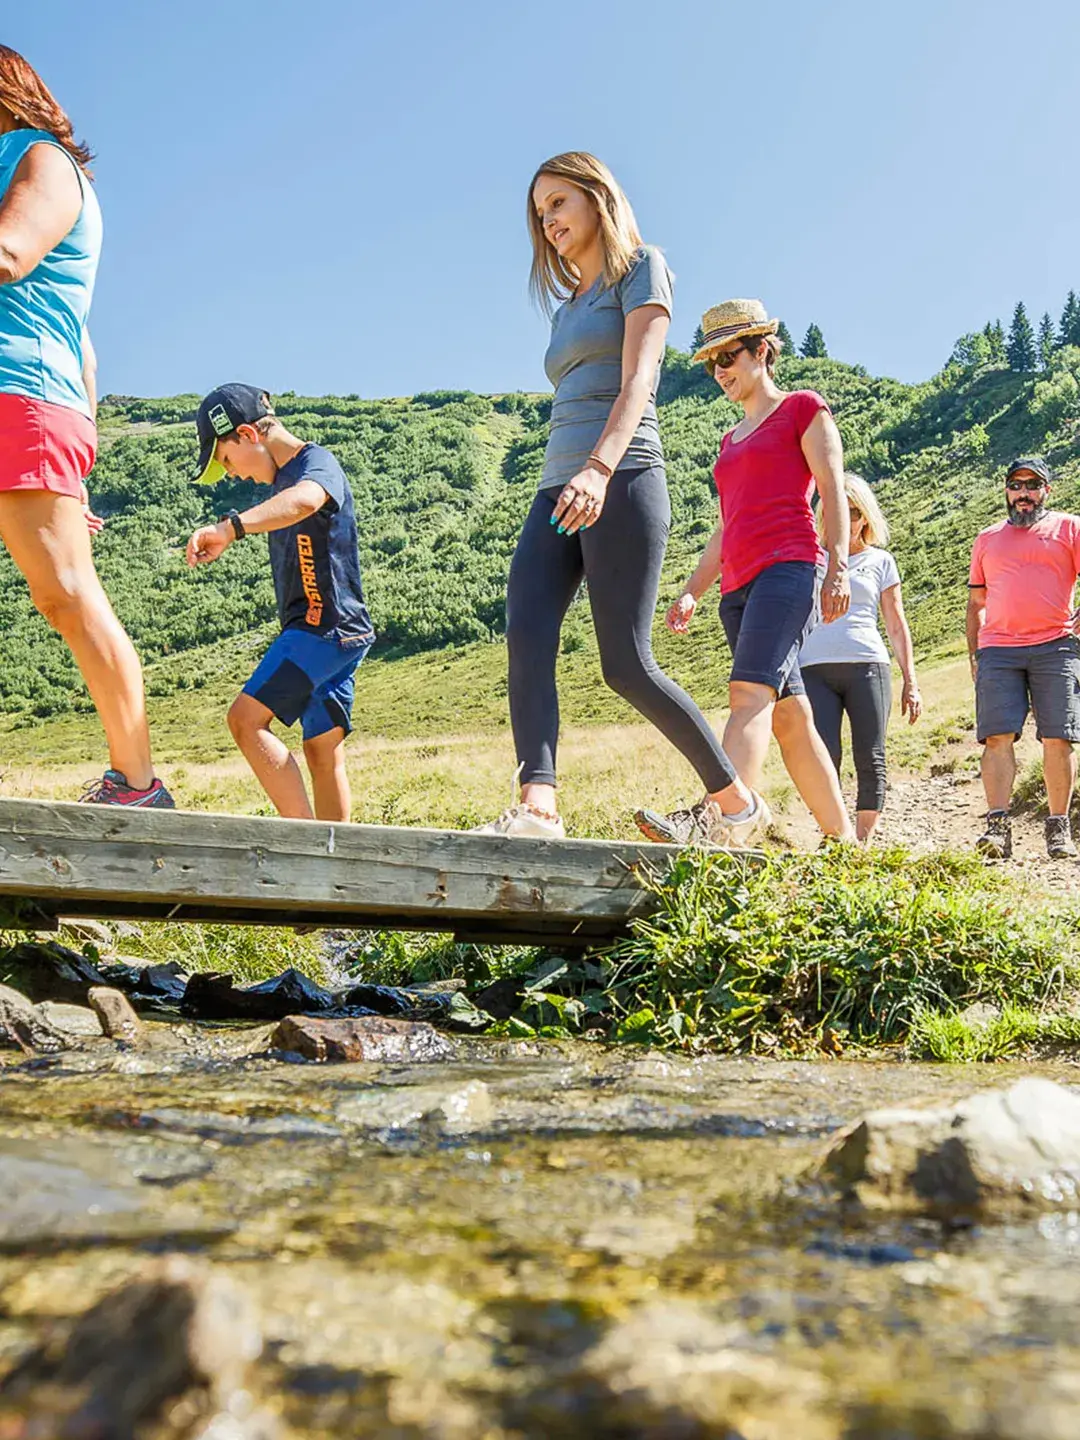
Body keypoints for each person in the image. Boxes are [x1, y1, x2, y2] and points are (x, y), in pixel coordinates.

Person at [475, 152, 763, 846]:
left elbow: (639, 380)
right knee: (527, 627)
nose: (547, 222)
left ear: (597, 198)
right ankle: (538, 807)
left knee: (625, 662)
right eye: (539, 213)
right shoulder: (569, 303)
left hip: (623, 476)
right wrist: (575, 471)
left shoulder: (643, 268)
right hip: (559, 482)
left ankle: (735, 804)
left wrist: (600, 469)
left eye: (559, 204)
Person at [0, 46, 172, 806]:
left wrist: (70, 454)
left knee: (66, 591)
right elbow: (87, 345)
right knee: (60, 591)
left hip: (21, 390)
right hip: (40, 396)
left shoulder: (39, 158)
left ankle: (136, 784)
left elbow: (9, 253)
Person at [646, 299, 856, 845]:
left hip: (788, 570)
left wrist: (838, 569)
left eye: (729, 356)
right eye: (713, 362)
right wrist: (693, 590)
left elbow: (832, 491)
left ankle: (722, 820)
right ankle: (847, 845)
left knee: (747, 694)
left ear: (761, 350)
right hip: (737, 586)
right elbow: (727, 526)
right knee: (790, 718)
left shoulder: (804, 409)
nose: (721, 372)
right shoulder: (729, 441)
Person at [185, 385, 374, 821]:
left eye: (226, 460)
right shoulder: (282, 480)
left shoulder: (314, 463)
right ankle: (335, 868)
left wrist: (231, 528)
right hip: (340, 632)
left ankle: (301, 847)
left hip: (321, 630)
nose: (232, 474)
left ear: (248, 434)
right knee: (321, 750)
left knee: (245, 721)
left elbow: (307, 500)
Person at [967, 455, 1080, 860]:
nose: (1024, 494)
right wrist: (975, 651)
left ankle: (1058, 828)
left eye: (1033, 485)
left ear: (1047, 490)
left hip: (1057, 645)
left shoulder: (1069, 527)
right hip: (998, 649)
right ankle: (997, 828)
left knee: (1059, 736)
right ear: (1006, 491)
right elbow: (976, 601)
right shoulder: (986, 538)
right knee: (996, 737)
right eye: (1017, 486)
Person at [799, 474, 921, 843]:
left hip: (868, 665)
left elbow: (897, 624)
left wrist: (910, 681)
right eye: (835, 511)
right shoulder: (808, 555)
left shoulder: (881, 560)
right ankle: (835, 837)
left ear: (865, 517)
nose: (844, 520)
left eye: (852, 512)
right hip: (813, 668)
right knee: (824, 757)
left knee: (871, 756)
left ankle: (863, 843)